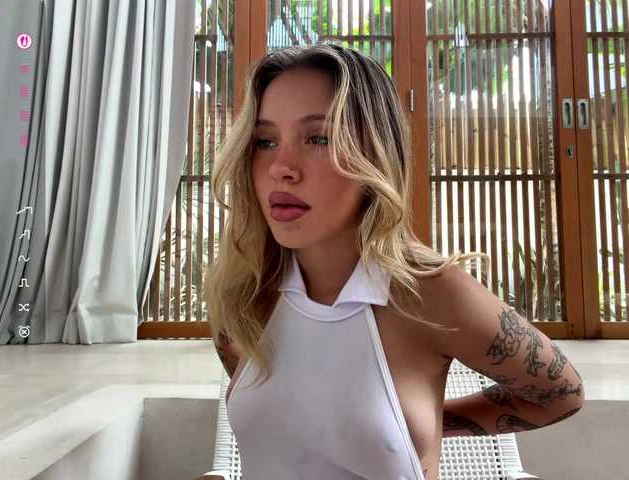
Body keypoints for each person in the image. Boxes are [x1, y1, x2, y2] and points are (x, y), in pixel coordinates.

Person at [199, 43, 584, 480]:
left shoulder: (430, 293)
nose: (280, 168)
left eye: (319, 138)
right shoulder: (244, 292)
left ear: (376, 153)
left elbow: (560, 394)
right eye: (265, 141)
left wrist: (426, 424)